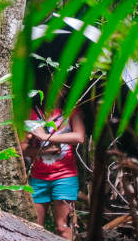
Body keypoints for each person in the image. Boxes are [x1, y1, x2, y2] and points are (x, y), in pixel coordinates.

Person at [20, 94, 86, 240]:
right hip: (38, 178)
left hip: (65, 176)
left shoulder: (71, 111)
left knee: (62, 228)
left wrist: (45, 137)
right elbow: (22, 149)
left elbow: (79, 137)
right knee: (34, 227)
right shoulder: (31, 114)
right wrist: (44, 150)